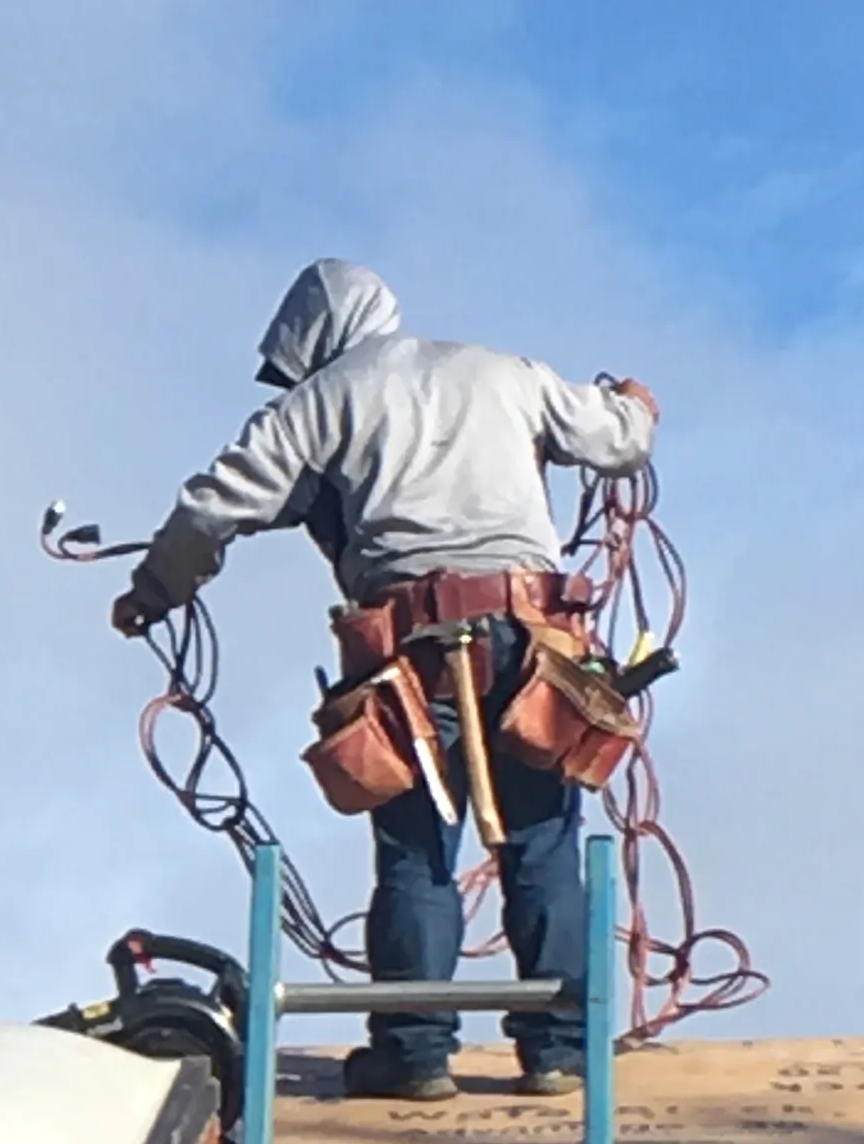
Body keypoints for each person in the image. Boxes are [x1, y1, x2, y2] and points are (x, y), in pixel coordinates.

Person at [109, 260, 657, 1101]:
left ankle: (414, 1056)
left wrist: (156, 589)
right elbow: (618, 440)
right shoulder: (504, 373)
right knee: (542, 841)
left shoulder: (320, 401)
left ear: (312, 340)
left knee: (416, 851)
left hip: (412, 653)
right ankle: (560, 1052)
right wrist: (634, 405)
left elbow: (214, 506)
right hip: (532, 640)